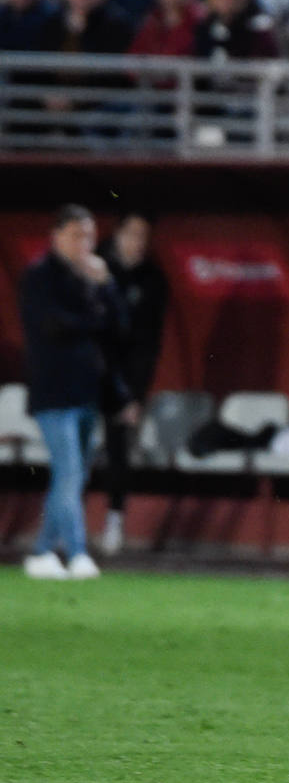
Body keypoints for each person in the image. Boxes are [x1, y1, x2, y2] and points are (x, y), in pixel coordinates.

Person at [18, 205, 135, 580]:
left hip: (87, 392)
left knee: (74, 475)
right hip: (53, 393)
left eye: (88, 235)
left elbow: (120, 328)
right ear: (56, 236)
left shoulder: (93, 278)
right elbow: (55, 327)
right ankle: (78, 553)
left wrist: (107, 287)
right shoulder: (39, 277)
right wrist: (95, 316)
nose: (83, 243)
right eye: (75, 235)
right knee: (69, 471)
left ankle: (41, 553)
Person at [96, 211, 169, 555]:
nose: (138, 243)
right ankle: (62, 525)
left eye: (144, 236)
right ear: (117, 234)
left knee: (117, 447)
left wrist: (136, 394)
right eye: (132, 234)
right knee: (73, 451)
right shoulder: (93, 269)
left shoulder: (153, 280)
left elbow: (148, 345)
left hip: (121, 381)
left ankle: (114, 520)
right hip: (86, 375)